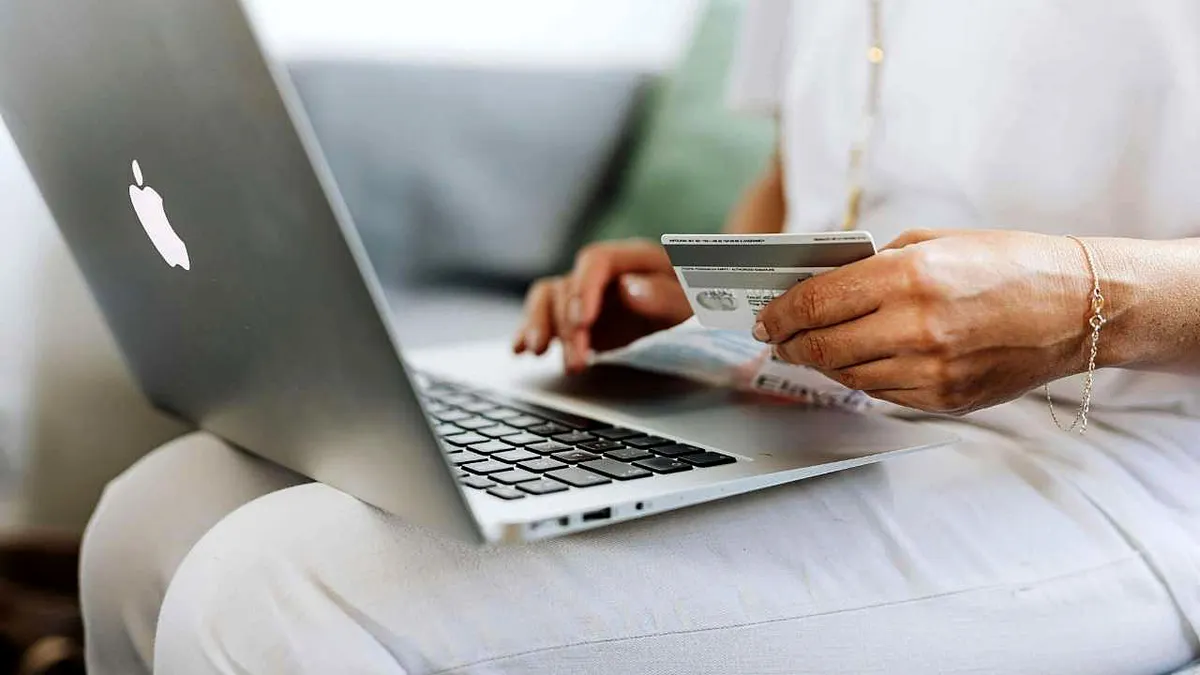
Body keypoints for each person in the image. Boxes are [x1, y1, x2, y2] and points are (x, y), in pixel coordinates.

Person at [80, 1, 1200, 673]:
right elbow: (801, 175)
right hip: (821, 403)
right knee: (159, 512)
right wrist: (720, 288)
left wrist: (1080, 298)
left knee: (272, 591)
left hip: (1107, 457)